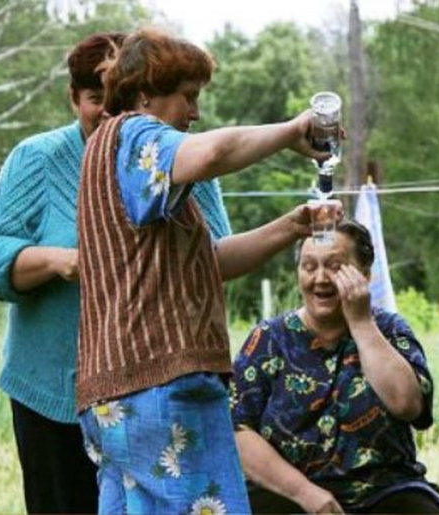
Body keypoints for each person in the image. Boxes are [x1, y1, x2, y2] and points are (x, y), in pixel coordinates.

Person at [74, 27, 334, 515]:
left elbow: (207, 264)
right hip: (158, 381)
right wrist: (289, 131)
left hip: (116, 391)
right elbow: (211, 154)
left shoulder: (113, 158)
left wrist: (291, 227)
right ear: (146, 93)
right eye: (188, 97)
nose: (195, 113)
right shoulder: (134, 136)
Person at [0, 32, 232, 514]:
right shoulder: (38, 157)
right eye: (95, 98)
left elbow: (216, 256)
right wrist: (58, 260)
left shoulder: (179, 159)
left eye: (117, 97)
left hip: (153, 392)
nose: (107, 112)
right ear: (73, 99)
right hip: (52, 392)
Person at [230, 219, 439, 514]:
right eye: (309, 266)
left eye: (334, 266)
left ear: (365, 274)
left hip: (384, 491)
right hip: (288, 494)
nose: (320, 278)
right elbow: (238, 430)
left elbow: (408, 405)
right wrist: (306, 494)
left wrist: (361, 323)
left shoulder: (389, 329)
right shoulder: (268, 338)